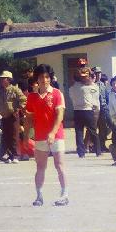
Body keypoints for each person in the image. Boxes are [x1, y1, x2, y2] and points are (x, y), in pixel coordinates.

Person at [25, 64, 69, 206]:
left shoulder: (57, 94)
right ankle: (39, 196)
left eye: (47, 77)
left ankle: (64, 195)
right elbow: (29, 119)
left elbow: (60, 116)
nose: (44, 80)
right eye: (41, 77)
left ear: (50, 78)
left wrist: (53, 132)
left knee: (59, 165)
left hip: (56, 136)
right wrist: (26, 136)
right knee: (40, 167)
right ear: (37, 79)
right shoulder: (32, 97)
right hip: (40, 136)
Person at [68, 67, 100, 157]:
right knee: (93, 131)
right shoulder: (91, 87)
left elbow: (71, 97)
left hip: (77, 111)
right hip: (87, 110)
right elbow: (95, 100)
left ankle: (81, 153)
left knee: (79, 132)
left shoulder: (72, 88)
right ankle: (98, 150)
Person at [0, 71, 26, 163]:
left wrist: (18, 109)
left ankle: (16, 155)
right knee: (5, 136)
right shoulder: (0, 91)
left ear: (9, 79)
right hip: (4, 117)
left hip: (13, 116)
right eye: (0, 79)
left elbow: (24, 100)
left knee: (14, 136)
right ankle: (10, 155)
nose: (1, 80)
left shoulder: (15, 90)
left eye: (3, 78)